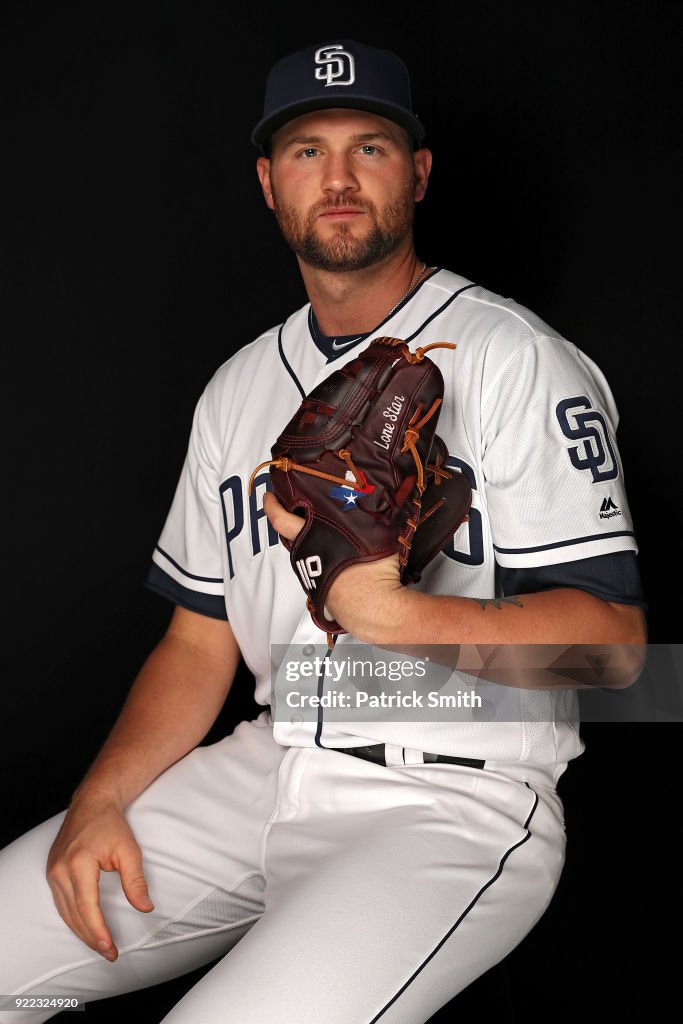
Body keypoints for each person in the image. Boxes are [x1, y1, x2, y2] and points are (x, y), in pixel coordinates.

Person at [0, 38, 646, 1024]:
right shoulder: (235, 388)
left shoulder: (516, 358)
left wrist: (393, 617)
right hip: (267, 767)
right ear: (268, 182)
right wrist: (100, 800)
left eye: (370, 148)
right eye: (306, 151)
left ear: (417, 174)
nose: (337, 177)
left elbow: (613, 654)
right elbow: (195, 637)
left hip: (448, 803)